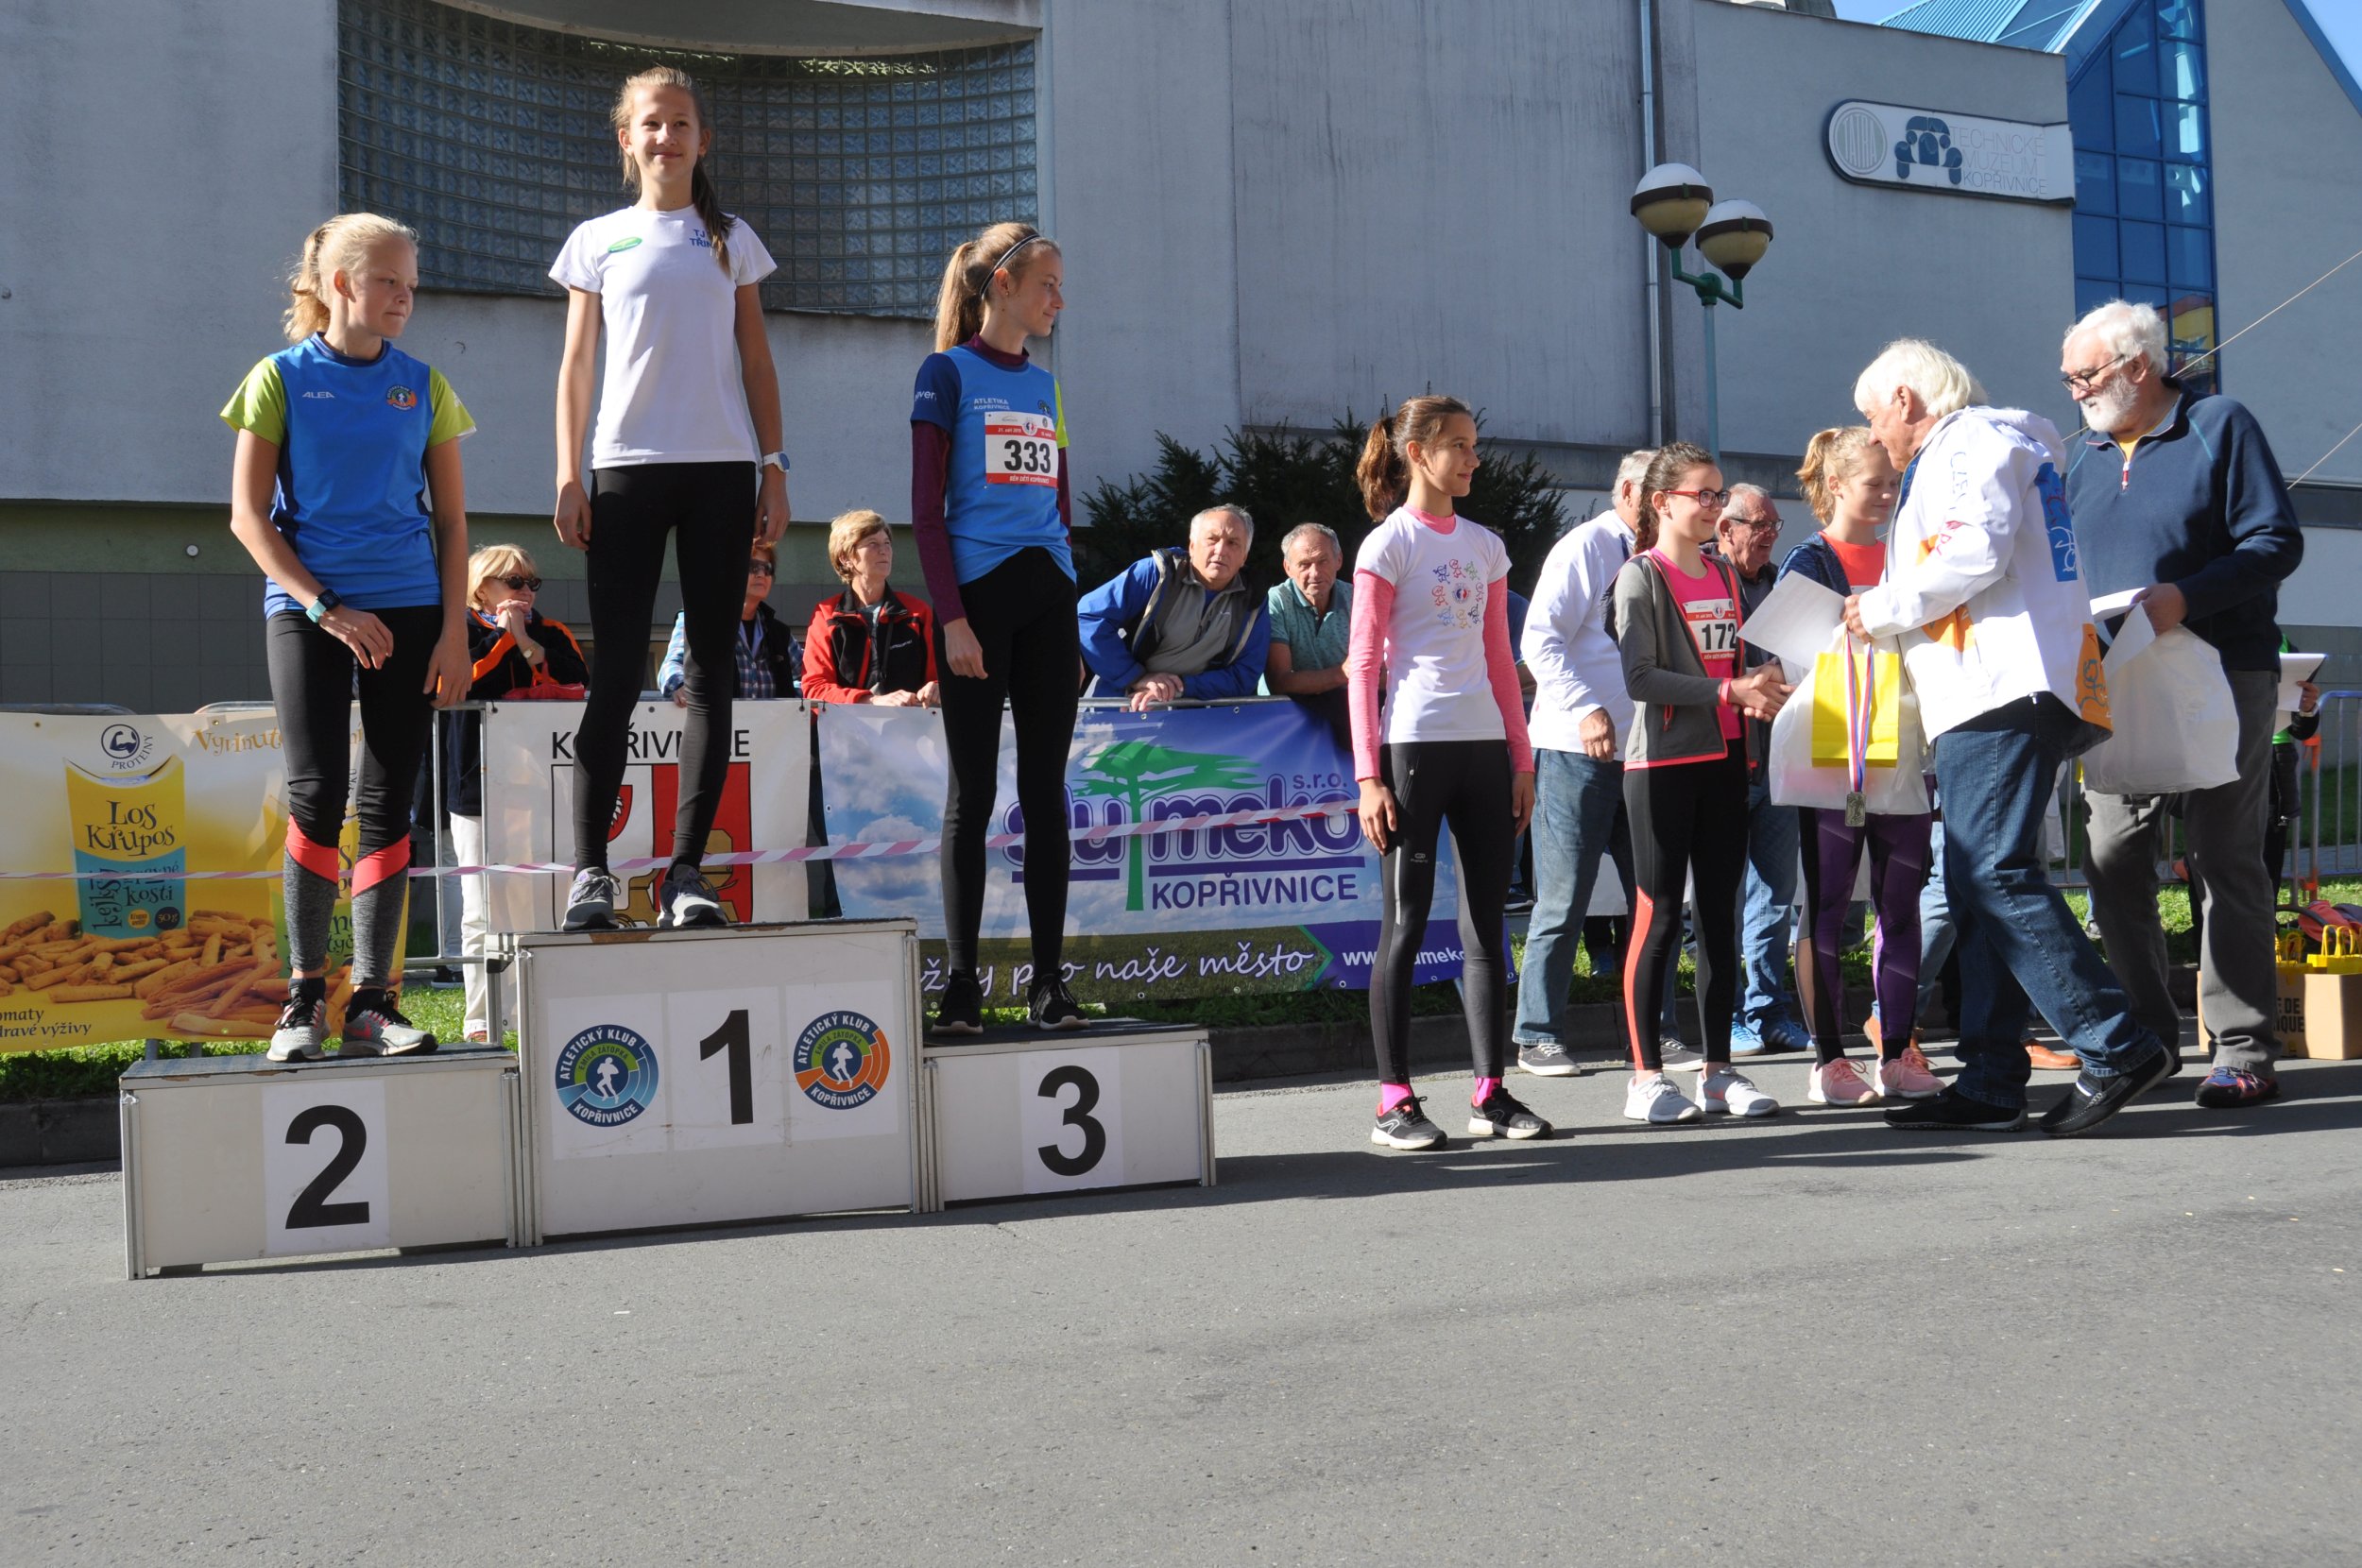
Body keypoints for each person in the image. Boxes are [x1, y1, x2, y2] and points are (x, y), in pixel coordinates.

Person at [1842, 337, 2174, 1135]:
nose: (1875, 435)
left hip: (1997, 687)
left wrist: (1879, 608)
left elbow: (1974, 549)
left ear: (1905, 400)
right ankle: (1992, 1078)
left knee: (1991, 872)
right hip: (2001, 686)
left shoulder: (1968, 442)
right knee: (1975, 883)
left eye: (1874, 416)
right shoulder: (1992, 443)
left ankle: (2116, 1044)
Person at [221, 213, 474, 1062]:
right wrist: (324, 606)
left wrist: (454, 633)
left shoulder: (425, 385)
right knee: (317, 793)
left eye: (411, 284)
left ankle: (373, 1001)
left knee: (388, 801)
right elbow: (247, 518)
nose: (404, 297)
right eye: (388, 281)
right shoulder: (279, 378)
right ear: (339, 285)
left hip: (410, 608)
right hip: (307, 609)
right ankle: (304, 1000)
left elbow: (452, 524)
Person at [550, 66, 789, 933]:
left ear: (702, 140)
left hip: (723, 470)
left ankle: (686, 874)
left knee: (710, 674)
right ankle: (590, 872)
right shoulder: (597, 240)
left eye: (682, 123)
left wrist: (774, 466)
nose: (667, 136)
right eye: (652, 123)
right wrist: (567, 473)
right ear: (627, 138)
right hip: (625, 470)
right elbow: (578, 365)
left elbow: (756, 360)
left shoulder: (732, 240)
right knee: (615, 671)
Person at [2062, 300, 2305, 1110]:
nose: (2075, 391)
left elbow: (2276, 542)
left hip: (2221, 670)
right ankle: (2145, 1042)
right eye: (2068, 378)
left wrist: (2186, 598)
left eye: (2084, 375)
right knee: (2110, 858)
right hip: (2112, 677)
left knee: (2224, 856)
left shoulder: (2220, 425)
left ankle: (2241, 1047)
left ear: (2138, 365)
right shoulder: (2081, 456)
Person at [1347, 396, 1543, 1150]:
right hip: (1415, 749)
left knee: (1487, 925)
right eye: (1457, 445)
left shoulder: (1486, 545)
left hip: (1485, 749)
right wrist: (1369, 777)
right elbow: (1363, 666)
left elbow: (1499, 659)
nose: (1472, 459)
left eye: (1473, 444)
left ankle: (1490, 1092)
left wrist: (1520, 759)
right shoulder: (1387, 544)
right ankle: (1393, 1099)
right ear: (1417, 452)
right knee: (1406, 923)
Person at [911, 220, 1085, 1032]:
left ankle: (1049, 983)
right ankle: (961, 985)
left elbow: (1060, 505)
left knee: (1045, 793)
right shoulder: (945, 372)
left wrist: (1070, 612)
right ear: (1003, 286)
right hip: (977, 603)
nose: (1059, 301)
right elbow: (926, 510)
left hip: (1050, 598)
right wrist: (951, 618)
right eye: (1048, 285)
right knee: (972, 793)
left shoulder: (1046, 385)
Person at [1610, 443, 1790, 1125]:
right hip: (1660, 766)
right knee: (1658, 916)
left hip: (1727, 761)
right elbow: (1640, 678)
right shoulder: (1640, 576)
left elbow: (1739, 664)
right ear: (1662, 503)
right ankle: (1646, 1079)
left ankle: (1719, 1072)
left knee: (1720, 917)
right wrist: (1728, 690)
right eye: (1703, 495)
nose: (1716, 506)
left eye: (1719, 494)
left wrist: (1764, 682)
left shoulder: (1722, 573)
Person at [1778, 429, 1944, 1105]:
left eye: (1893, 483)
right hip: (1833, 754)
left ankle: (1898, 1051)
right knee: (1826, 908)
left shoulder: (1909, 553)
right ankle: (1829, 1062)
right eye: (1874, 483)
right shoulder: (1809, 560)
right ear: (1836, 485)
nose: (1887, 495)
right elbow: (1792, 657)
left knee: (1900, 907)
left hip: (1905, 753)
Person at [1515, 449, 1685, 1076]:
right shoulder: (1586, 547)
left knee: (1655, 899)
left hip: (1645, 751)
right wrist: (1587, 708)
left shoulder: (1665, 556)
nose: (1665, 506)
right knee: (1564, 901)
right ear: (1627, 491)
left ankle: (1658, 1032)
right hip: (1575, 751)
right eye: (1657, 494)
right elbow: (1539, 640)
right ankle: (1537, 1036)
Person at [442, 545, 588, 1043]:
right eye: (513, 581)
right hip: (476, 790)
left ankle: (544, 1009)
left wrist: (525, 640)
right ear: (481, 587)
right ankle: (482, 1017)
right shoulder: (456, 631)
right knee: (481, 907)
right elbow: (456, 683)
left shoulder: (554, 631)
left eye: (531, 583)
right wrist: (505, 639)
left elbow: (576, 681)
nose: (525, 591)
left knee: (547, 901)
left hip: (546, 790)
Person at [1709, 484, 1816, 1063]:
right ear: (1725, 529)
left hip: (1779, 760)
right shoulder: (1701, 580)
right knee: (1721, 900)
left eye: (1775, 525)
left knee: (1775, 895)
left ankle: (1768, 1011)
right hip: (1723, 759)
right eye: (1759, 525)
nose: (1771, 534)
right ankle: (1725, 1016)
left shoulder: (1784, 586)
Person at [1078, 505, 1271, 710]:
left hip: (1197, 716)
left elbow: (1245, 674)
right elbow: (1087, 618)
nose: (1221, 550)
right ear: (1192, 546)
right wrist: (1136, 677)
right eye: (1212, 539)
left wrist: (1178, 688)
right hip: (1124, 706)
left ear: (1244, 557)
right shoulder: (1156, 574)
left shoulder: (1253, 599)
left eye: (1233, 543)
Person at [800, 510, 940, 707]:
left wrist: (936, 688)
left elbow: (942, 677)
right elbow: (815, 688)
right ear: (845, 557)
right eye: (873, 543)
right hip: (846, 725)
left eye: (887, 543)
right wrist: (872, 701)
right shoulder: (826, 614)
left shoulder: (918, 612)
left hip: (910, 724)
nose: (884, 551)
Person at [659, 537, 799, 702]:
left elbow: (808, 674)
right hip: (718, 718)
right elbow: (671, 666)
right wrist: (681, 686)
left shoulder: (779, 633)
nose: (761, 574)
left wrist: (799, 701)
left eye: (767, 568)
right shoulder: (700, 620)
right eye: (752, 566)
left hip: (772, 719)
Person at [1262, 522, 1352, 750]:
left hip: (1344, 713)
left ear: (1339, 560)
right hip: (1283, 720)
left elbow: (1384, 674)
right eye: (1304, 564)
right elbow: (1280, 681)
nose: (1315, 573)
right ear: (1288, 568)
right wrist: (1344, 673)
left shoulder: (1357, 598)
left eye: (1323, 561)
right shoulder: (1275, 601)